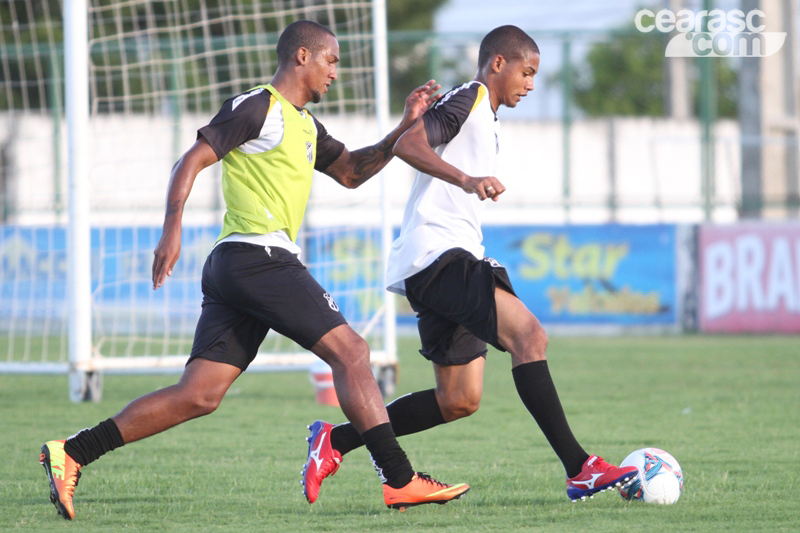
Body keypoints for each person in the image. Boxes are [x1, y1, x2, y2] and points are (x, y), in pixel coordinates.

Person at [38, 20, 470, 521]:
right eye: (331, 60)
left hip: (237, 267)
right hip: (256, 257)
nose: (336, 72)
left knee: (198, 395)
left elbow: (352, 172)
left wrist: (402, 127)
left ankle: (73, 452)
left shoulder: (306, 125)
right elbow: (191, 159)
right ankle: (400, 480)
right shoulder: (257, 106)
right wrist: (171, 228)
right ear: (302, 56)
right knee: (352, 352)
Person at [302, 25, 639, 504]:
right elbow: (408, 145)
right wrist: (466, 179)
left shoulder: (486, 113)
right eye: (527, 71)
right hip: (439, 255)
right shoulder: (473, 96)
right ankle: (580, 468)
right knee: (530, 336)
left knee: (458, 399)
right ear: (498, 63)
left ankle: (334, 441)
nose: (531, 84)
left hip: (437, 260)